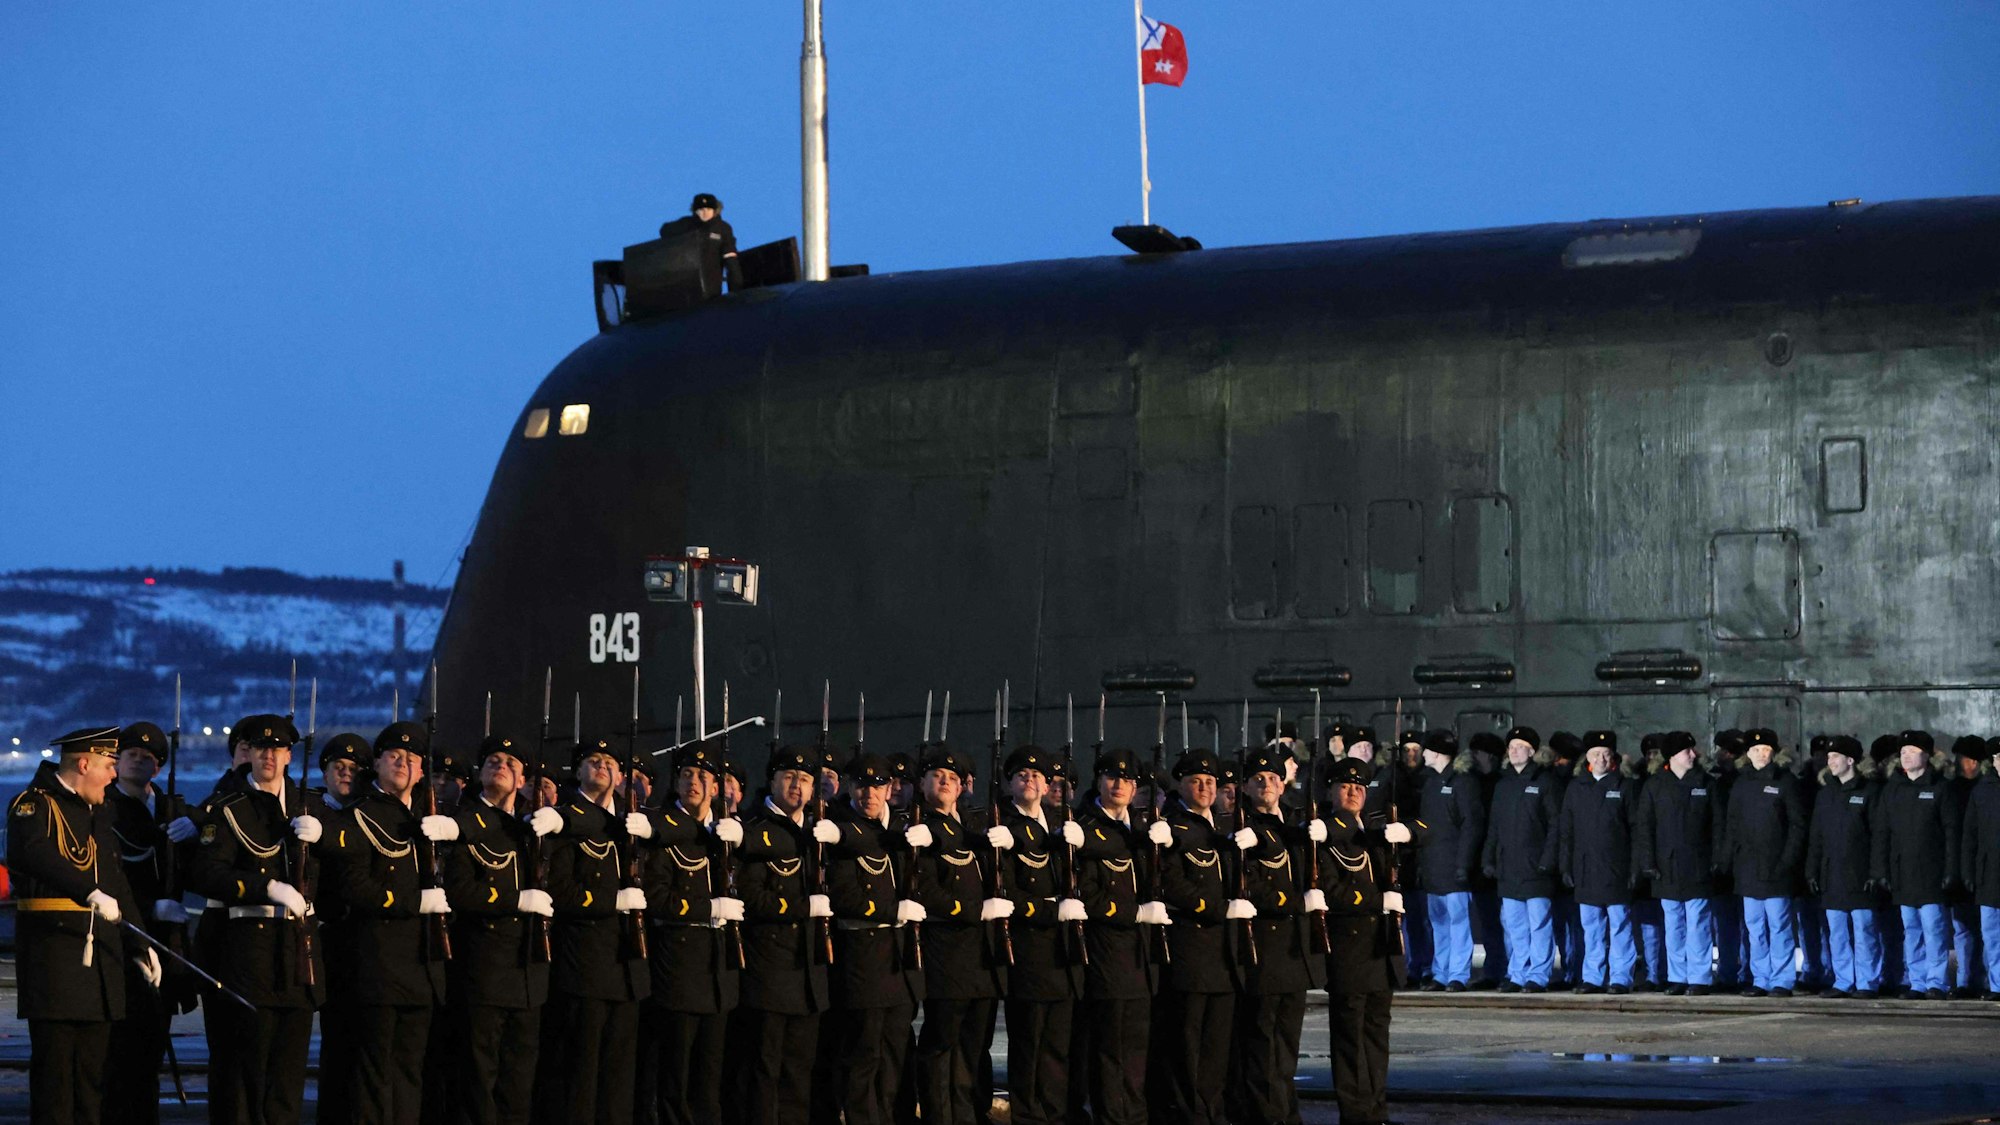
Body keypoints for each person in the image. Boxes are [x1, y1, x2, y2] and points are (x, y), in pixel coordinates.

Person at [188, 713, 327, 1125]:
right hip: (248, 953)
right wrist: (264, 887)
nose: (269, 755)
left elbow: (346, 855)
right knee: (243, 1076)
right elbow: (208, 874)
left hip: (298, 956)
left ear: (288, 755)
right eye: (261, 748)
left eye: (277, 748)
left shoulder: (310, 805)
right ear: (249, 753)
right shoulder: (228, 808)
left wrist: (329, 837)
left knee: (287, 1078)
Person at [9, 727, 147, 1125]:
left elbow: (116, 882)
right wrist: (88, 891)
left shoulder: (98, 812)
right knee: (56, 1081)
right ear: (83, 763)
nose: (113, 775)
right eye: (108, 765)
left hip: (99, 960)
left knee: (92, 1081)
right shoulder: (32, 806)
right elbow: (33, 854)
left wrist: (139, 942)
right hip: (56, 959)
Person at [323, 720, 456, 1124]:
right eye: (394, 757)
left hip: (422, 969)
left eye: (412, 759)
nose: (402, 763)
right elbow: (356, 888)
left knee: (410, 1074)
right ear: (377, 764)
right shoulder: (360, 816)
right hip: (378, 968)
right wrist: (416, 902)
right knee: (375, 1077)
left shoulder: (429, 818)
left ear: (420, 772)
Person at [532, 736, 655, 1124]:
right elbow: (559, 890)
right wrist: (611, 901)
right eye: (592, 760)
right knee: (579, 1078)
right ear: (578, 771)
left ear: (620, 775)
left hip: (629, 968)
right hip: (584, 966)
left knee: (619, 1081)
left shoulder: (633, 824)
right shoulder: (564, 821)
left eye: (609, 762)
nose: (601, 766)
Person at [443, 734, 555, 1125]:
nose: (500, 765)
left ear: (523, 778)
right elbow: (457, 889)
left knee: (518, 1081)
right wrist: (514, 900)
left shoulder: (530, 828)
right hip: (485, 970)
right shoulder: (465, 822)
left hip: (528, 973)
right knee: (478, 1080)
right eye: (493, 759)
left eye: (510, 761)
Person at [637, 738, 745, 1125]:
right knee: (675, 1081)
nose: (694, 781)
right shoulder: (665, 832)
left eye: (703, 775)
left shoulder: (726, 836)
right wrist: (710, 908)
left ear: (717, 787)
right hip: (679, 969)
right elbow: (656, 898)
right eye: (686, 774)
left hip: (720, 973)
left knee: (709, 1080)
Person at [818, 750, 926, 1125]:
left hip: (899, 958)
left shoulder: (899, 829)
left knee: (894, 1051)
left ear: (888, 788)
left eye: (877, 785)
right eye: (861, 786)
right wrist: (892, 911)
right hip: (863, 956)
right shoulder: (839, 828)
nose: (869, 793)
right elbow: (842, 895)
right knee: (863, 1052)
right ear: (850, 788)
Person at [732, 744, 835, 1124]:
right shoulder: (755, 830)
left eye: (805, 779)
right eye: (789, 777)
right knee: (763, 1071)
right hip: (770, 972)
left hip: (810, 972)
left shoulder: (818, 831)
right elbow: (751, 896)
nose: (797, 785)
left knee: (798, 1073)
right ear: (771, 781)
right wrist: (801, 907)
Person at [904, 743, 1006, 1125]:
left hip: (981, 961)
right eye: (937, 776)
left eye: (952, 778)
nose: (945, 783)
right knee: (940, 1048)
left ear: (963, 787)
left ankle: (963, 1115)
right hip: (946, 957)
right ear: (923, 782)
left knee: (971, 1049)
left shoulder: (972, 827)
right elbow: (925, 890)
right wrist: (976, 911)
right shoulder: (921, 830)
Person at [1072, 746, 1168, 1125]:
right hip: (1107, 955)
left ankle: (1135, 1116)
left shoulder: (1139, 831)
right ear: (1099, 781)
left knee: (1136, 1051)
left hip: (1141, 959)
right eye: (1112, 777)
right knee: (1110, 1051)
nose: (1119, 785)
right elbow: (1087, 897)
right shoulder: (1086, 829)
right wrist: (1135, 913)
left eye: (1127, 780)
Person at [1232, 743, 1328, 1125]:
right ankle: (1266, 1115)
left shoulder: (1295, 824)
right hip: (1265, 951)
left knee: (1287, 1045)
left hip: (1295, 951)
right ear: (1246, 787)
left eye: (1272, 778)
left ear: (1283, 784)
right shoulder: (1242, 829)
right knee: (1262, 1043)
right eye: (1258, 780)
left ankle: (1287, 1114)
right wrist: (1295, 902)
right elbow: (1249, 887)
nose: (1266, 785)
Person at [102, 720, 192, 1124]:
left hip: (165, 943)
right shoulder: (104, 809)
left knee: (151, 1051)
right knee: (120, 1057)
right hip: (122, 942)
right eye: (131, 755)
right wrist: (149, 905)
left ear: (159, 767)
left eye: (148, 758)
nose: (139, 762)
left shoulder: (171, 809)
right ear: (117, 762)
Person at [989, 745, 1083, 1125]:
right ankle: (1028, 1114)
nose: (1030, 781)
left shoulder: (1057, 825)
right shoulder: (1003, 825)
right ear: (1010, 783)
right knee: (1029, 1042)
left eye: (1037, 777)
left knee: (1056, 1044)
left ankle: (1053, 1112)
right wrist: (1049, 909)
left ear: (1047, 785)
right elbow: (1005, 891)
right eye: (1022, 776)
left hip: (1062, 951)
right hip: (1027, 948)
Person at [1319, 756, 1408, 1125]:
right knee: (1351, 1041)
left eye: (1360, 787)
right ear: (1331, 791)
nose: (1354, 793)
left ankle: (1376, 1110)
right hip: (1350, 950)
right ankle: (1356, 1114)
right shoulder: (1323, 833)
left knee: (1376, 1038)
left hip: (1381, 950)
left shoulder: (1374, 829)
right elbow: (1330, 889)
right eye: (1345, 786)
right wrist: (1376, 900)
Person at [1152, 747, 1237, 1125]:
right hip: (1191, 952)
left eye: (1210, 782)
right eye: (1195, 781)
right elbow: (1172, 884)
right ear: (1181, 785)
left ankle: (1211, 1112)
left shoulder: (1221, 828)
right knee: (1186, 1045)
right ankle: (1190, 1115)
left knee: (1216, 1047)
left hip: (1223, 955)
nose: (1204, 788)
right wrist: (1219, 909)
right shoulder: (1173, 828)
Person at [1872, 729, 1961, 999]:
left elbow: (1951, 833)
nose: (1906, 756)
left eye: (1911, 751)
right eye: (1902, 752)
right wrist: (1881, 870)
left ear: (1926, 755)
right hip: (1903, 873)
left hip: (1932, 874)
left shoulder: (1940, 788)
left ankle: (1937, 982)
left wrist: (1950, 870)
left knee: (1934, 930)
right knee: (1911, 931)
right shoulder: (1893, 790)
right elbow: (1882, 833)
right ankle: (1917, 982)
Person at [1721, 727, 1806, 997]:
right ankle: (1761, 978)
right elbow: (1732, 824)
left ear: (1774, 752)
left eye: (1766, 750)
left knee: (1779, 925)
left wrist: (1787, 861)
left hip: (1776, 868)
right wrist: (1728, 859)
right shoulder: (1742, 783)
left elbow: (1797, 826)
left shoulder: (1786, 781)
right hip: (1748, 868)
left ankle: (1782, 980)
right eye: (1756, 750)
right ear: (1748, 754)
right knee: (1755, 927)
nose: (1761, 754)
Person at [1633, 731, 1718, 995]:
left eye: (1692, 750)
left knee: (1698, 923)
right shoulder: (1656, 785)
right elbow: (1644, 827)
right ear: (1673, 756)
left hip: (1697, 865)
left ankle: (1699, 977)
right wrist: (1647, 862)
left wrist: (1717, 860)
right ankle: (1678, 975)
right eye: (1687, 751)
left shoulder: (1706, 783)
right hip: (1665, 866)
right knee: (1674, 924)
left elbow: (1719, 826)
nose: (1693, 755)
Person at [1556, 731, 1639, 994]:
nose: (1601, 758)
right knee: (1591, 928)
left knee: (1620, 926)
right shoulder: (1577, 787)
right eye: (1595, 754)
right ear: (1587, 758)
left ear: (1613, 757)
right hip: (1585, 869)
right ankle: (1592, 977)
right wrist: (1565, 866)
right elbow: (1566, 831)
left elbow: (1637, 831)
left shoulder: (1625, 787)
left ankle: (1620, 978)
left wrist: (1635, 868)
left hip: (1617, 869)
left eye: (1605, 754)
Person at [1482, 726, 1563, 992]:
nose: (1515, 751)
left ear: (1532, 751)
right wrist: (1489, 858)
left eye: (1520, 746)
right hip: (1509, 867)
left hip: (1536, 867)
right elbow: (1494, 826)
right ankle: (1517, 973)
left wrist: (1547, 860)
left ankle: (1538, 975)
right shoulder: (1503, 784)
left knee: (1539, 923)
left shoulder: (1545, 781)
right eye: (1512, 746)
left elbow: (1555, 825)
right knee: (1514, 924)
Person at [1806, 735, 1882, 998]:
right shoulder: (1826, 794)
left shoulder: (1868, 792)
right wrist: (1812, 869)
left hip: (1860, 875)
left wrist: (1876, 872)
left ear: (1850, 760)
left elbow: (1878, 836)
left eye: (1835, 757)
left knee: (1864, 931)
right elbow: (1816, 836)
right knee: (1837, 932)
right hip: (1832, 874)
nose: (1830, 762)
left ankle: (1867, 982)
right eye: (1829, 757)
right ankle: (1843, 980)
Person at [1411, 730, 1484, 992]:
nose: (1423, 754)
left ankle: (1458, 974)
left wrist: (1464, 864)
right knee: (1439, 924)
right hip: (1433, 865)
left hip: (1454, 866)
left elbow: (1471, 826)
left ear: (1437, 752)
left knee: (1458, 923)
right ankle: (1441, 973)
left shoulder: (1463, 783)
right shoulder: (1430, 783)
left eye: (1427, 749)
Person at [1963, 737, 2000, 1000]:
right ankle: (1997, 985)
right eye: (1998, 758)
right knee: (1992, 935)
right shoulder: (1982, 790)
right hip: (1989, 875)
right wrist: (1969, 871)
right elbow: (1970, 835)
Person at [659, 192, 743, 293]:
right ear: (695, 211)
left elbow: (731, 260)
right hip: (687, 284)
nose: (705, 213)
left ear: (715, 210)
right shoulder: (687, 224)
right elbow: (665, 230)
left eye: (708, 209)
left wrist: (735, 290)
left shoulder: (723, 229)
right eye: (701, 210)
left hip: (712, 286)